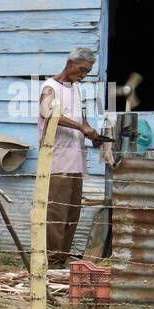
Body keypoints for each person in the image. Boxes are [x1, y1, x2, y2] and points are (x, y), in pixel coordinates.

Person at [40, 47, 100, 269]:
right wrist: (81, 128)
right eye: (82, 69)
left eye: (87, 72)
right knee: (56, 215)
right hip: (56, 162)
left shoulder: (75, 89)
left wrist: (91, 132)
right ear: (70, 63)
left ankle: (61, 260)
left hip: (75, 161)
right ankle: (51, 263)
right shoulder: (50, 87)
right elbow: (47, 112)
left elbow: (80, 118)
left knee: (71, 214)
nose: (83, 75)